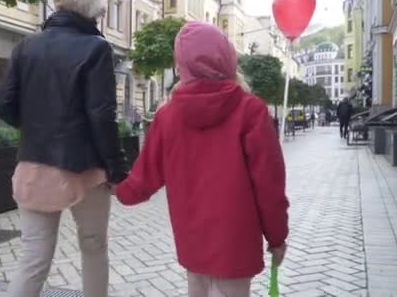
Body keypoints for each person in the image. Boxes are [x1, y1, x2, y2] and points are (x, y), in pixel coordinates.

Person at [113, 22, 289, 297]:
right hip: (236, 240)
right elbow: (269, 184)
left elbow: (143, 177)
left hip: (192, 238)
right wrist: (277, 236)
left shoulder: (167, 116)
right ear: (227, 57)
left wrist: (115, 187)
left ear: (181, 65)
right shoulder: (250, 111)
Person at [0, 0, 127, 297]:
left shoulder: (27, 45)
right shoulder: (96, 47)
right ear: (89, 13)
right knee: (94, 248)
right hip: (86, 169)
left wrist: (37, 128)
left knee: (34, 258)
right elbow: (101, 115)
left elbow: (3, 104)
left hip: (35, 164)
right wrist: (116, 167)